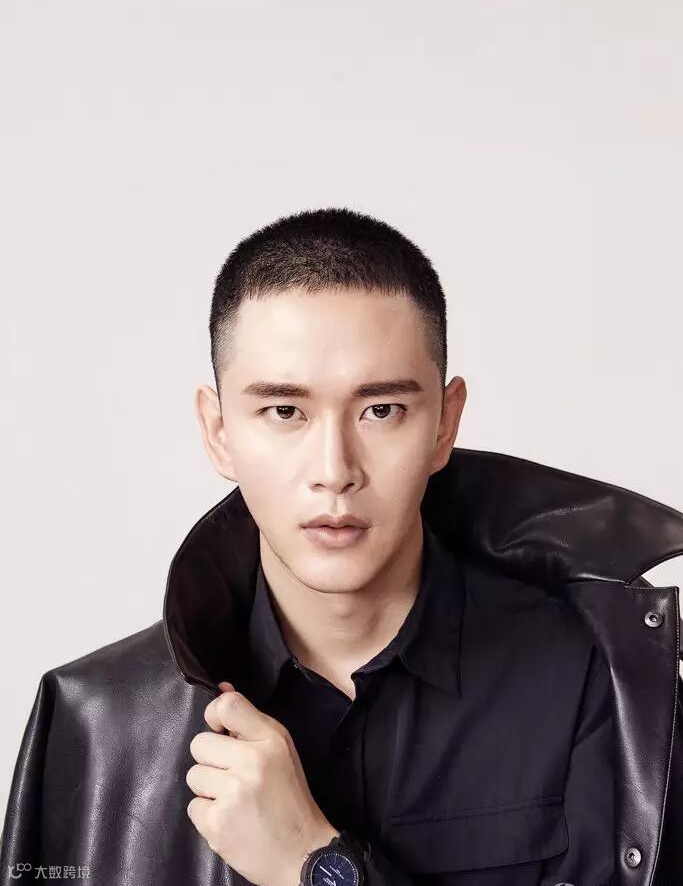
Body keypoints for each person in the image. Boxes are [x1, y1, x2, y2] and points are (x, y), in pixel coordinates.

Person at [0, 207, 614, 885]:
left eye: (381, 410)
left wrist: (312, 864)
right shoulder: (96, 720)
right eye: (284, 411)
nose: (334, 469)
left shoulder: (593, 680)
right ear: (219, 432)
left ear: (445, 424)